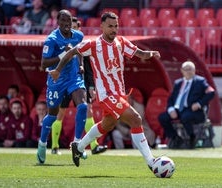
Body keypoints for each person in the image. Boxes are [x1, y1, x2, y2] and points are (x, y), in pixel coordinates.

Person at [49, 12, 161, 170]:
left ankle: (78, 147)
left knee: (109, 124)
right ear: (101, 26)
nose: (114, 29)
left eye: (116, 26)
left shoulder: (121, 42)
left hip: (119, 93)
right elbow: (71, 52)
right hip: (106, 94)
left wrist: (150, 53)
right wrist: (58, 70)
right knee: (135, 118)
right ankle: (151, 162)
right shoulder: (93, 44)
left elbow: (139, 53)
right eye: (110, 26)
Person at [36, 9, 89, 164]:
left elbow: (78, 51)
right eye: (63, 21)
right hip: (56, 80)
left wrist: (80, 65)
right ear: (57, 22)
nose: (66, 24)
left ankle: (78, 144)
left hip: (73, 78)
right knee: (52, 116)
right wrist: (62, 55)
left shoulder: (78, 35)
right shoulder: (51, 39)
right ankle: (42, 143)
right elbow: (43, 64)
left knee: (83, 106)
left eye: (69, 20)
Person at [50, 16, 107, 155]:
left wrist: (92, 86)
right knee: (60, 113)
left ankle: (94, 146)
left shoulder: (83, 46)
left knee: (88, 110)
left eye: (75, 28)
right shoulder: (60, 44)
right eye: (71, 27)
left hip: (79, 83)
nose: (72, 30)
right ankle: (54, 146)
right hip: (64, 83)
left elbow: (89, 68)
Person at [158, 61, 215, 149]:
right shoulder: (178, 83)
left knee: (185, 116)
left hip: (194, 110)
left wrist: (199, 104)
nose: (188, 71)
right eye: (186, 69)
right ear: (182, 71)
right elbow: (171, 99)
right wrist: (171, 109)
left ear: (194, 70)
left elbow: (211, 92)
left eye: (190, 69)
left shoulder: (200, 81)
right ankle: (175, 138)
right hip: (178, 109)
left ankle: (192, 138)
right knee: (162, 117)